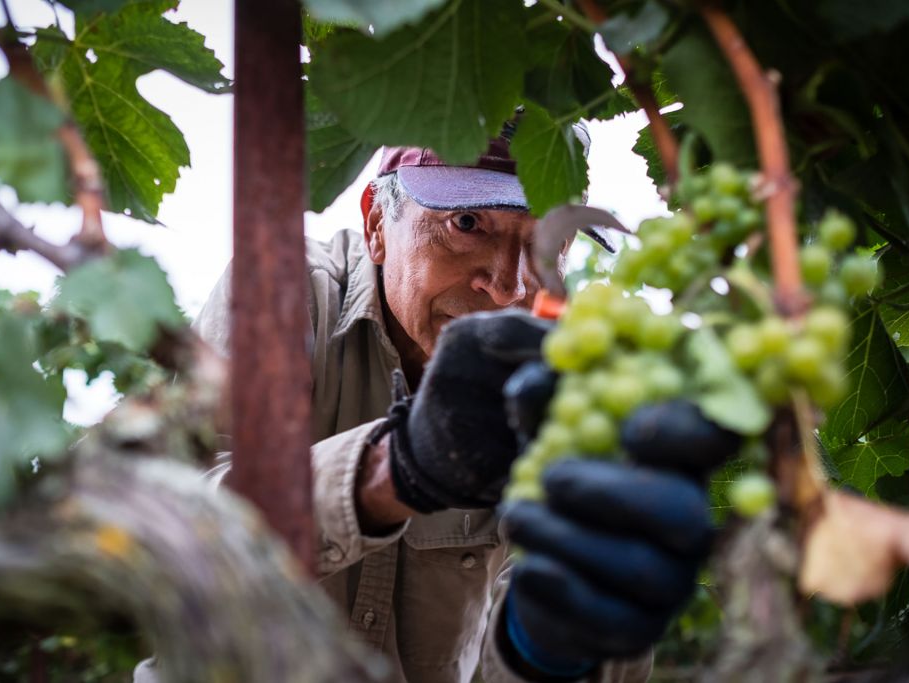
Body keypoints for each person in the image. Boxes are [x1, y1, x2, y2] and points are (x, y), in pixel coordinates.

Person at [138, 123, 732, 683]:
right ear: (376, 223)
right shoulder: (283, 293)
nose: (509, 285)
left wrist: (545, 643)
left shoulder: (566, 384)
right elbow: (172, 537)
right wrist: (397, 469)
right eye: (469, 223)